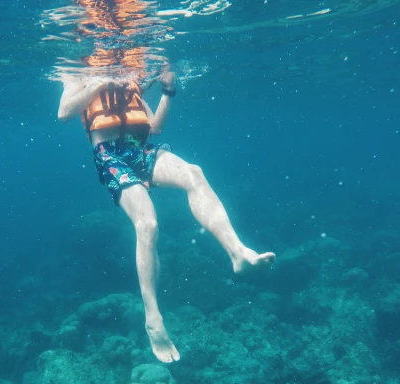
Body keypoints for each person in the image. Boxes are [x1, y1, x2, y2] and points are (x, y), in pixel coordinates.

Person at [57, 70, 275, 363]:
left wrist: (168, 91)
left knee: (194, 173)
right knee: (147, 225)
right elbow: (63, 113)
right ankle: (152, 317)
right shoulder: (80, 75)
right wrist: (98, 83)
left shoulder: (129, 76)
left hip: (142, 149)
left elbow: (155, 127)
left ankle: (238, 254)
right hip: (111, 157)